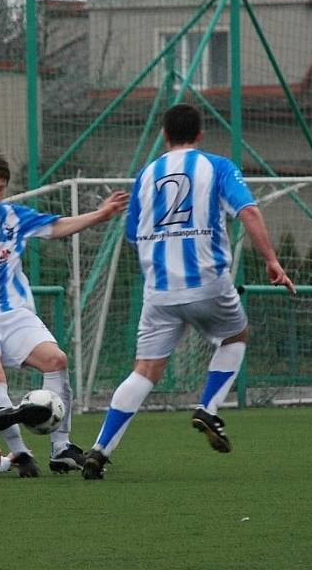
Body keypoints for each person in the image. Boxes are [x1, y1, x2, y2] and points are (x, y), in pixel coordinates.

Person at [82, 103, 296, 480]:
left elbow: (132, 235)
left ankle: (100, 448)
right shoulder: (216, 166)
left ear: (164, 136)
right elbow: (248, 211)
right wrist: (272, 259)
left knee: (145, 371)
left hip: (159, 292)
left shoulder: (146, 175)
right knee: (235, 335)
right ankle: (209, 408)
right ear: (200, 135)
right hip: (207, 282)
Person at [0, 153, 129, 477]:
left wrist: (100, 216)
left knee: (56, 360)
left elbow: (55, 226)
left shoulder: (12, 216)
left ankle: (61, 448)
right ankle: (20, 454)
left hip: (14, 314)